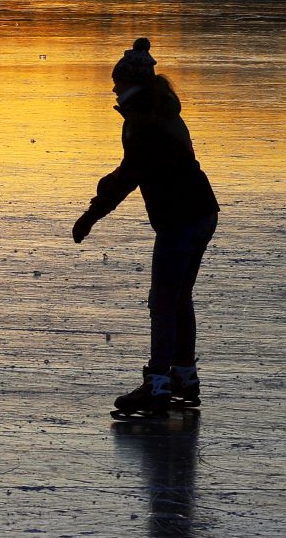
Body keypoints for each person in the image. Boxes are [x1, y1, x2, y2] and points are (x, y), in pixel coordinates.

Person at [73, 37, 219, 414]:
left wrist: (92, 214)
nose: (113, 88)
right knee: (178, 295)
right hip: (202, 211)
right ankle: (183, 375)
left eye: (117, 82)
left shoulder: (143, 121)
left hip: (180, 217)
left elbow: (129, 175)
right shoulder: (163, 111)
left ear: (130, 84)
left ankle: (157, 384)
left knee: (164, 300)